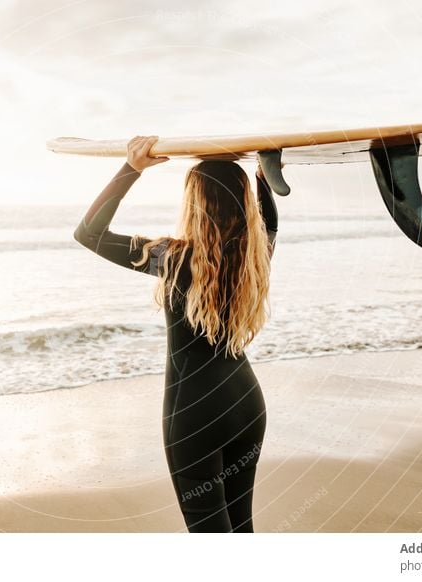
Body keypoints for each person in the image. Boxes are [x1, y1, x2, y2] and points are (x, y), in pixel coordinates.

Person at [73, 135, 279, 532]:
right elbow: (268, 222)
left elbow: (88, 233)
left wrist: (131, 169)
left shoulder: (172, 257)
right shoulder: (257, 254)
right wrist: (263, 175)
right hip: (247, 405)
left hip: (195, 414)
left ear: (193, 204)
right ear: (242, 201)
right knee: (241, 530)